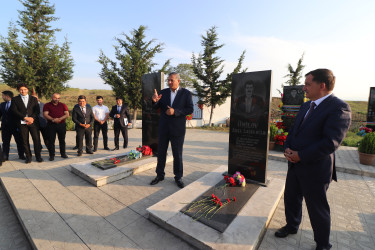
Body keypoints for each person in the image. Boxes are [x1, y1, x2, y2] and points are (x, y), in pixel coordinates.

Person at [275, 69, 351, 250]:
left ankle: (323, 244)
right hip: (294, 164)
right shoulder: (305, 106)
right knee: (291, 198)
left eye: (308, 84)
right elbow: (295, 130)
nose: (304, 88)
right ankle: (292, 226)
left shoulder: (338, 107)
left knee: (317, 208)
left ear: (322, 86)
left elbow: (330, 142)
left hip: (315, 168)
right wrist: (287, 147)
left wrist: (301, 155)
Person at [149, 72, 193, 188]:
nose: (169, 82)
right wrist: (154, 101)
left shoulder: (186, 93)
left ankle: (178, 177)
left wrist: (175, 112)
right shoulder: (163, 92)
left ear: (178, 81)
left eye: (171, 80)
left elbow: (189, 109)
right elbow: (155, 107)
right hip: (164, 128)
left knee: (177, 154)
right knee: (161, 153)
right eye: (168, 80)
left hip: (178, 130)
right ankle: (159, 175)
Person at [10, 83, 43, 163]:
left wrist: (31, 118)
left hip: (33, 122)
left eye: (24, 89)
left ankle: (38, 157)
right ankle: (28, 157)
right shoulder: (15, 99)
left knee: (36, 140)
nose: (23, 91)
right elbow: (14, 111)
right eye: (21, 89)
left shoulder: (33, 99)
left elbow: (37, 110)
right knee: (24, 141)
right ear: (18, 90)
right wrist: (25, 118)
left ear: (27, 90)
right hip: (21, 123)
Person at [0, 90, 25, 161]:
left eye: (3, 96)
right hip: (5, 127)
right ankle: (5, 156)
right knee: (5, 142)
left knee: (19, 141)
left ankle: (21, 155)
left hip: (16, 126)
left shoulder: (16, 104)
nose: (2, 97)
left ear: (7, 96)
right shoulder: (2, 104)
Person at [43, 93, 69, 161]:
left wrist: (60, 119)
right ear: (52, 97)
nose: (57, 99)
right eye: (55, 98)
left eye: (58, 98)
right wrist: (53, 119)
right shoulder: (47, 105)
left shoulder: (63, 105)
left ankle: (63, 154)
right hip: (51, 125)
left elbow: (67, 114)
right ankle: (51, 155)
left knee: (62, 140)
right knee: (51, 141)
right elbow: (45, 114)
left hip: (61, 124)